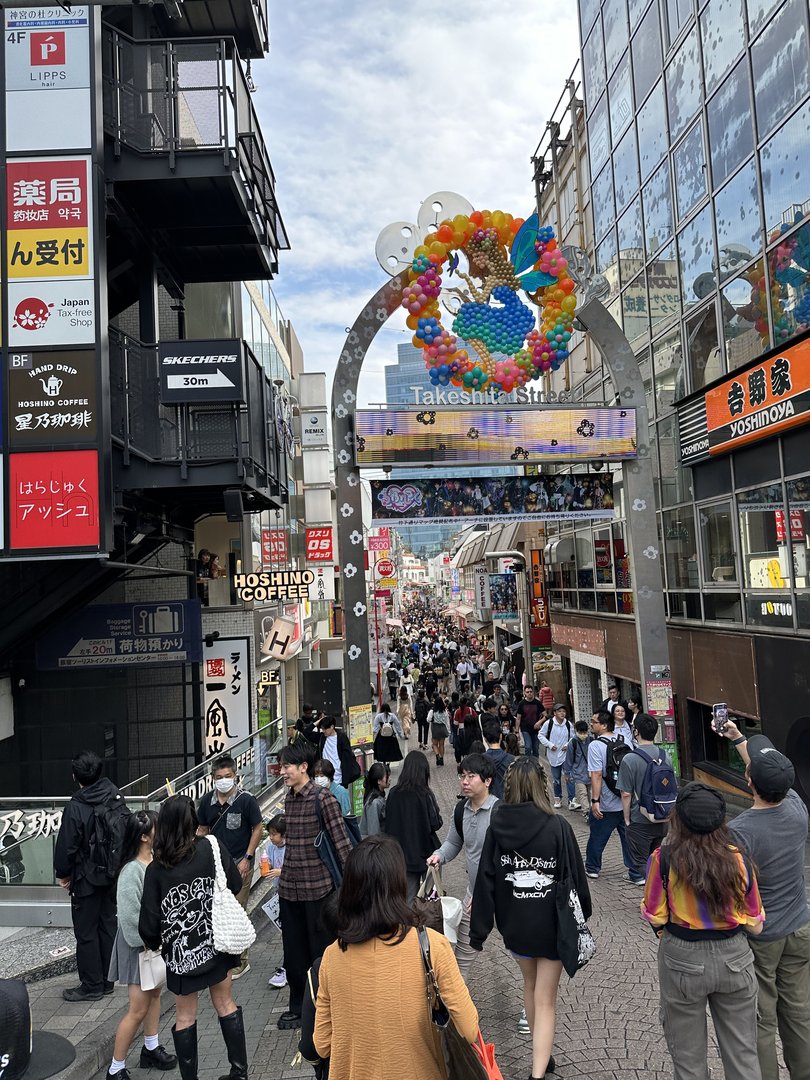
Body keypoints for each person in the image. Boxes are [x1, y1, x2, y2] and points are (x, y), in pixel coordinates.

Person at [313, 835, 479, 1079]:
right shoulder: (433, 945)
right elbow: (468, 1029)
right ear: (399, 885)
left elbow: (322, 1044)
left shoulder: (332, 956)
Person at [471, 756, 591, 1080]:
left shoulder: (497, 825)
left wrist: (479, 930)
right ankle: (538, 1073)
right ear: (542, 784)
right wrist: (584, 915)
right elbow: (576, 878)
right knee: (546, 998)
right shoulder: (558, 826)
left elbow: (485, 877)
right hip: (551, 924)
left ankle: (544, 1054)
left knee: (530, 984)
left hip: (515, 923)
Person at [641, 783, 765, 1080]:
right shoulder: (739, 859)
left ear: (678, 819)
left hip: (682, 956)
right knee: (743, 1054)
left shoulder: (664, 858)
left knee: (687, 1059)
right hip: (734, 957)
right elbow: (756, 922)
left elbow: (656, 915)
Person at [721, 722, 810, 1080]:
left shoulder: (740, 831)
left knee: (760, 1019)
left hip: (762, 936)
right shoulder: (797, 809)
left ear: (749, 782)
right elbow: (763, 771)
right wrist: (740, 740)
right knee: (800, 1011)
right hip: (800, 929)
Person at [139, 795, 247, 1080]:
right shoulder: (211, 847)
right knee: (225, 1003)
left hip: (181, 955)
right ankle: (239, 1072)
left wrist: (155, 943)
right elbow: (235, 883)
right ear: (192, 820)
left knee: (185, 1016)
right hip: (219, 944)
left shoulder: (156, 869)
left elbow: (148, 924)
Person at [275, 742, 352, 1030]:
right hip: (289, 890)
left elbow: (342, 843)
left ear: (303, 767)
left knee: (321, 953)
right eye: (282, 766)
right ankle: (298, 1007)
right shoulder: (289, 798)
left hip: (319, 890)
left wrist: (352, 885)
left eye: (287, 767)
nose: (282, 772)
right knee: (293, 954)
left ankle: (327, 1007)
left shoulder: (324, 799)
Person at [105, 810, 176, 1079]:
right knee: (137, 1008)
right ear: (145, 837)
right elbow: (128, 918)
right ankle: (115, 1067)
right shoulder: (131, 871)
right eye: (158, 828)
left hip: (152, 944)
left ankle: (151, 1047)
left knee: (154, 995)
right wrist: (150, 941)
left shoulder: (155, 862)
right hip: (139, 947)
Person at [54, 749, 124, 1001]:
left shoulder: (76, 806)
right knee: (107, 926)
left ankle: (91, 985)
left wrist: (63, 873)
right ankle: (106, 981)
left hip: (85, 877)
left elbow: (67, 846)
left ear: (75, 775)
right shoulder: (115, 795)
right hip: (112, 873)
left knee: (86, 932)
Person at [427, 753, 498, 980]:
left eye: (471, 776)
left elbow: (508, 861)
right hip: (472, 898)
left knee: (521, 954)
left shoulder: (501, 813)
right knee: (461, 961)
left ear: (487, 781)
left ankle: (530, 1008)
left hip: (503, 899)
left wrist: (487, 893)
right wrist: (439, 856)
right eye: (462, 776)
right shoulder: (461, 810)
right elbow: (453, 842)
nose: (464, 781)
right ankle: (457, 1013)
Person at [196, 755, 263, 980]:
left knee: (239, 910)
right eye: (219, 777)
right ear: (212, 778)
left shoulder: (246, 800)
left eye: (228, 777)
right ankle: (223, 956)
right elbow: (202, 829)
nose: (223, 781)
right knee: (218, 911)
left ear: (235, 776)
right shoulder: (206, 802)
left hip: (239, 862)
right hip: (214, 865)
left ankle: (241, 961)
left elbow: (257, 827)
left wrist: (248, 857)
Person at [618, 713, 671, 886]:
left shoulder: (630, 759)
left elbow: (626, 793)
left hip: (639, 818)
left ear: (636, 732)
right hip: (662, 816)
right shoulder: (666, 755)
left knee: (640, 863)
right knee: (657, 858)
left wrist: (626, 818)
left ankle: (656, 896)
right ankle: (660, 894)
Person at [383, 751, 443, 901]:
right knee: (431, 899)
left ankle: (408, 925)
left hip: (402, 856)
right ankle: (428, 924)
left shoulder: (393, 794)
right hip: (427, 853)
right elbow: (436, 823)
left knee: (408, 899)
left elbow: (388, 824)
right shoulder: (425, 794)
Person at [585, 711, 634, 879]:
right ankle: (635, 873)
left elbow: (596, 775)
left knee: (598, 837)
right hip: (626, 801)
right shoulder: (625, 740)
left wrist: (595, 801)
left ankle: (592, 868)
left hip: (606, 802)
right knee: (629, 839)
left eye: (594, 721)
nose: (591, 724)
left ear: (604, 725)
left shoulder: (595, 746)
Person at [264, 814, 288, 990]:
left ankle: (287, 967)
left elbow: (293, 868)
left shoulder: (291, 848)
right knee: (283, 930)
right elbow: (270, 866)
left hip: (289, 892)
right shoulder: (271, 848)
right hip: (277, 893)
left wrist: (281, 872)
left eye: (274, 834)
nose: (271, 837)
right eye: (270, 834)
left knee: (289, 931)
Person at [538, 704, 577, 810]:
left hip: (566, 755)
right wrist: (550, 745)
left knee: (569, 777)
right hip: (554, 755)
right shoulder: (549, 723)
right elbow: (540, 735)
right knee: (556, 779)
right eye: (559, 711)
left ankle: (572, 800)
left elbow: (573, 737)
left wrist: (566, 745)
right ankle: (558, 798)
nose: (562, 713)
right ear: (554, 713)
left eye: (564, 711)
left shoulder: (568, 724)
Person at [315, 715, 361, 790]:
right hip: (325, 778)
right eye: (322, 729)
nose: (323, 731)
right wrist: (319, 721)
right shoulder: (322, 737)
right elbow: (307, 732)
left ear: (332, 727)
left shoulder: (341, 738)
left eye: (325, 729)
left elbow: (347, 759)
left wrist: (345, 781)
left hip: (339, 778)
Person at [564, 720, 593, 818]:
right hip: (578, 773)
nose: (583, 734)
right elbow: (569, 759)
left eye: (584, 732)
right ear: (576, 731)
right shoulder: (573, 743)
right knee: (583, 793)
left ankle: (592, 810)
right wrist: (567, 773)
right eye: (581, 732)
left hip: (591, 772)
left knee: (591, 793)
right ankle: (586, 812)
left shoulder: (592, 741)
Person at [481, 718, 514, 800]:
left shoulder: (480, 759)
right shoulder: (512, 759)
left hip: (486, 800)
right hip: (507, 800)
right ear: (501, 736)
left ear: (485, 738)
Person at [359, 762, 390, 837]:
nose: (390, 779)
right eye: (387, 777)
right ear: (379, 781)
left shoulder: (378, 797)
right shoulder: (374, 803)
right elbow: (374, 834)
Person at [515, 685, 543, 757]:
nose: (529, 693)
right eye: (527, 692)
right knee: (528, 747)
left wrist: (539, 722)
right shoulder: (521, 703)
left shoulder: (537, 703)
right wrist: (517, 731)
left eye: (531, 692)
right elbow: (518, 718)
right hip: (525, 729)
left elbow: (545, 715)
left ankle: (536, 765)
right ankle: (527, 763)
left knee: (536, 749)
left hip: (535, 729)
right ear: (524, 693)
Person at [428, 694, 451, 766]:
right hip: (443, 727)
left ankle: (437, 755)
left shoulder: (432, 711)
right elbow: (447, 721)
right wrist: (448, 730)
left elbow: (428, 719)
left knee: (434, 744)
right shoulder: (445, 711)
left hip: (435, 727)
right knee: (442, 745)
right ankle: (441, 758)